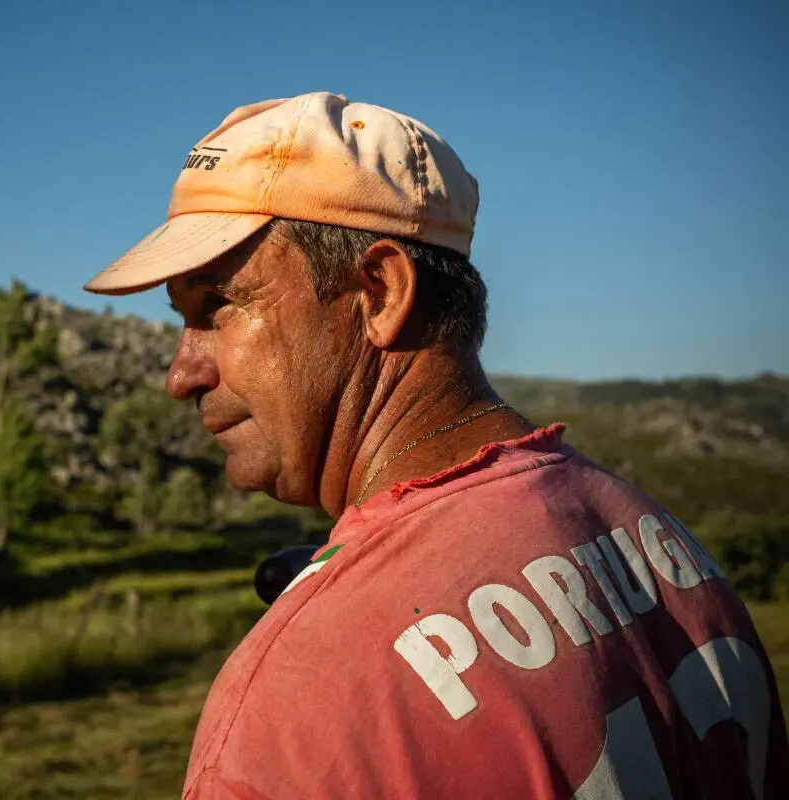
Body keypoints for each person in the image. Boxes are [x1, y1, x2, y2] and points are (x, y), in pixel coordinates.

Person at [82, 91, 788, 799]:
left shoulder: (304, 697)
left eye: (216, 307)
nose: (181, 374)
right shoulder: (664, 543)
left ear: (382, 291)